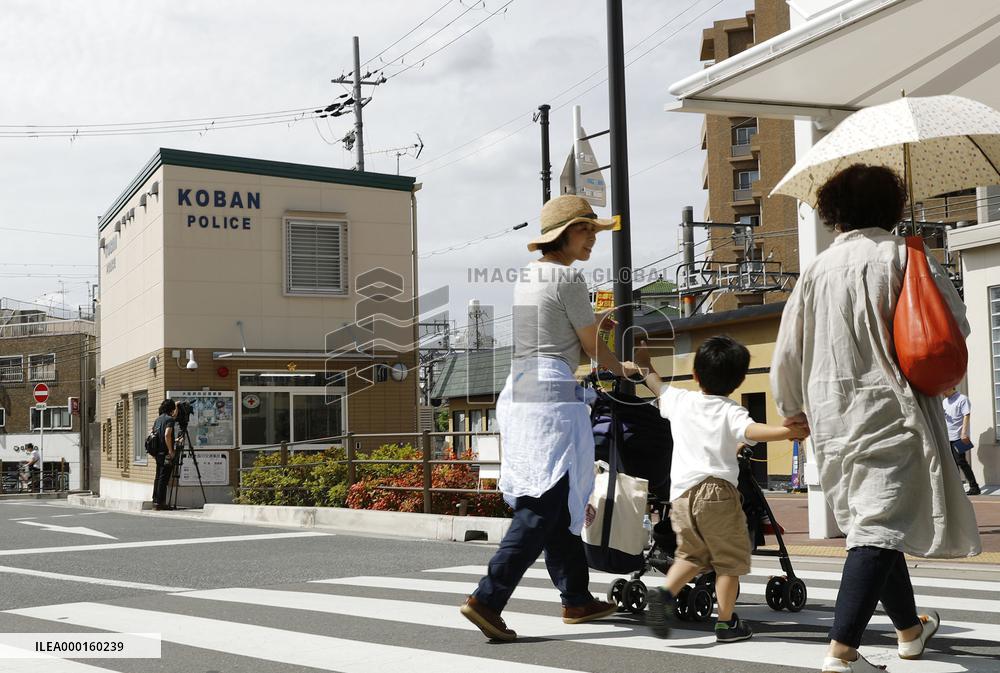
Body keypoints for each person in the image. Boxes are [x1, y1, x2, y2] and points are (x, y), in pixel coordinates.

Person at [770, 164, 981, 673]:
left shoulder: (818, 269)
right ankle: (840, 654)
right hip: (891, 406)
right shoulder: (903, 256)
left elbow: (788, 349)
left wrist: (789, 407)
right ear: (893, 206)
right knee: (878, 528)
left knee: (872, 521)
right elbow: (955, 325)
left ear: (833, 212)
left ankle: (910, 631)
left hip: (830, 413)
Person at [459, 194, 640, 642]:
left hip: (520, 388)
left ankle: (576, 598)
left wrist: (592, 333)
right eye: (587, 231)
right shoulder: (568, 279)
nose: (593, 240)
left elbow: (551, 340)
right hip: (551, 396)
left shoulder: (527, 279)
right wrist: (623, 367)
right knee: (544, 505)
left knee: (555, 504)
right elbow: (591, 349)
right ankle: (488, 597)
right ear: (566, 233)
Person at [634, 336, 808, 643]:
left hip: (681, 497)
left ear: (697, 375)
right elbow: (752, 431)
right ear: (739, 381)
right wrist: (786, 432)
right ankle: (727, 624)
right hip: (717, 493)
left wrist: (643, 358)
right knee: (728, 561)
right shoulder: (730, 411)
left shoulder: (681, 400)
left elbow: (653, 381)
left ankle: (663, 594)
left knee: (692, 555)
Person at [941, 387, 980, 496]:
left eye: (943, 390)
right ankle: (956, 488)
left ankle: (974, 487)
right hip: (947, 437)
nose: (942, 393)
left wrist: (964, 433)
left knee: (961, 462)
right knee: (952, 464)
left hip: (959, 437)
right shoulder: (945, 401)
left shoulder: (962, 399)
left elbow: (966, 415)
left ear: (949, 387)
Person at [151, 399, 178, 511]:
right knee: (164, 478)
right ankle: (161, 503)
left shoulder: (158, 420)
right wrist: (171, 450)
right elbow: (167, 435)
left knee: (158, 477)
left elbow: (155, 434)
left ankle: (155, 501)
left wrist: (176, 406)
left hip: (158, 453)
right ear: (171, 409)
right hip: (166, 453)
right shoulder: (169, 420)